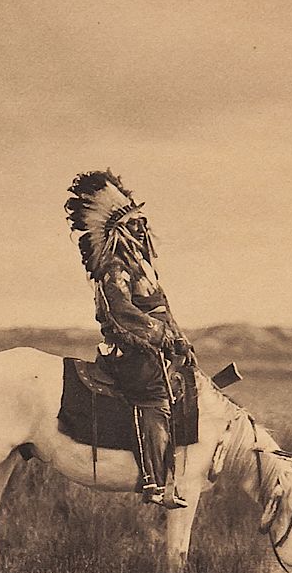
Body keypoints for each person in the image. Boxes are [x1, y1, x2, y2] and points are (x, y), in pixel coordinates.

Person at [64, 170, 195, 509]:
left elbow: (161, 308)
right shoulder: (114, 267)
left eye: (142, 221)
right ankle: (154, 481)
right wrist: (161, 335)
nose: (141, 227)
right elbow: (120, 312)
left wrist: (180, 340)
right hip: (133, 352)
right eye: (133, 223)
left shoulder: (144, 266)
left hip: (157, 348)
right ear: (119, 231)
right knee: (154, 396)